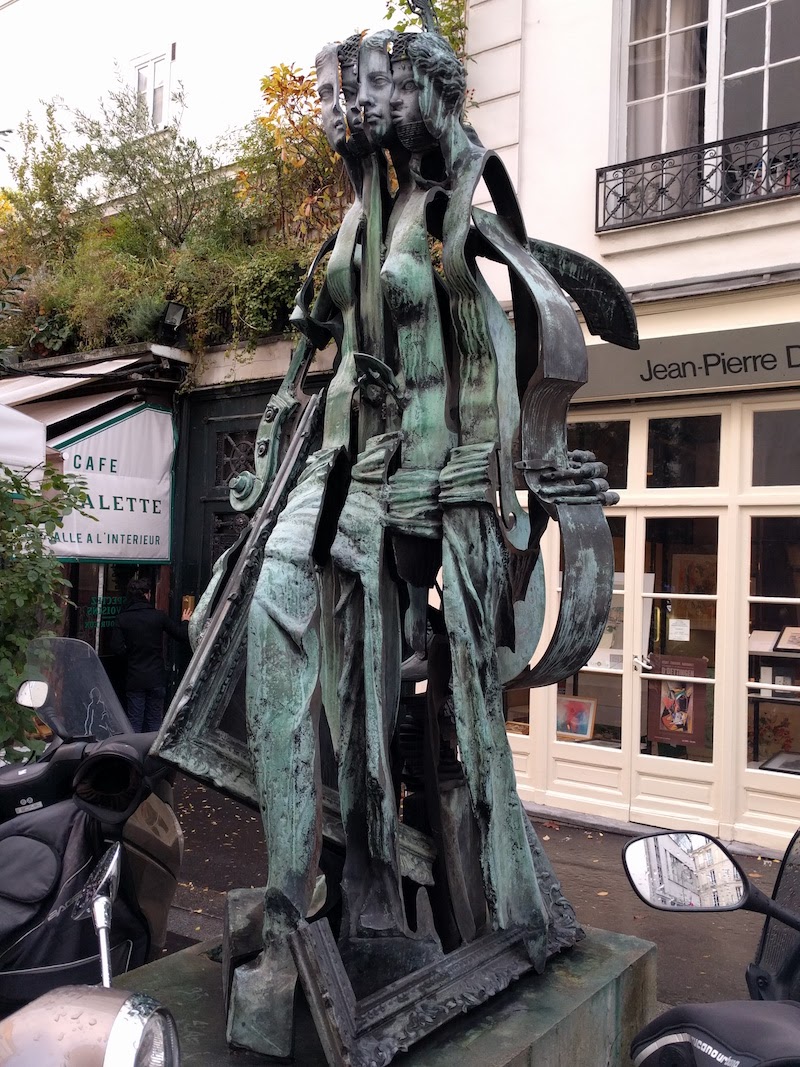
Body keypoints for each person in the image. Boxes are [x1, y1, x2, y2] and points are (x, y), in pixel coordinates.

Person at [110, 577, 191, 732]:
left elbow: (116, 648)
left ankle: (132, 747)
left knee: (134, 721)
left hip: (135, 677)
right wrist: (185, 621)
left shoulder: (123, 618)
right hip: (156, 677)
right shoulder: (158, 616)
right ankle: (153, 747)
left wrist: (131, 657)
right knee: (154, 721)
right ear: (147, 594)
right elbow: (181, 635)